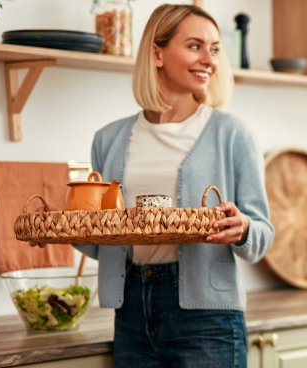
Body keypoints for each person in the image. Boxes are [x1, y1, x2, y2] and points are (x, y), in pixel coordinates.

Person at [72, 5, 273, 367]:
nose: (209, 60)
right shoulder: (109, 139)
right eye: (195, 46)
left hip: (208, 320)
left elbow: (262, 235)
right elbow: (107, 241)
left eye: (214, 49)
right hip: (130, 315)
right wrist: (65, 228)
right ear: (156, 52)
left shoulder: (232, 134)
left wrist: (242, 229)